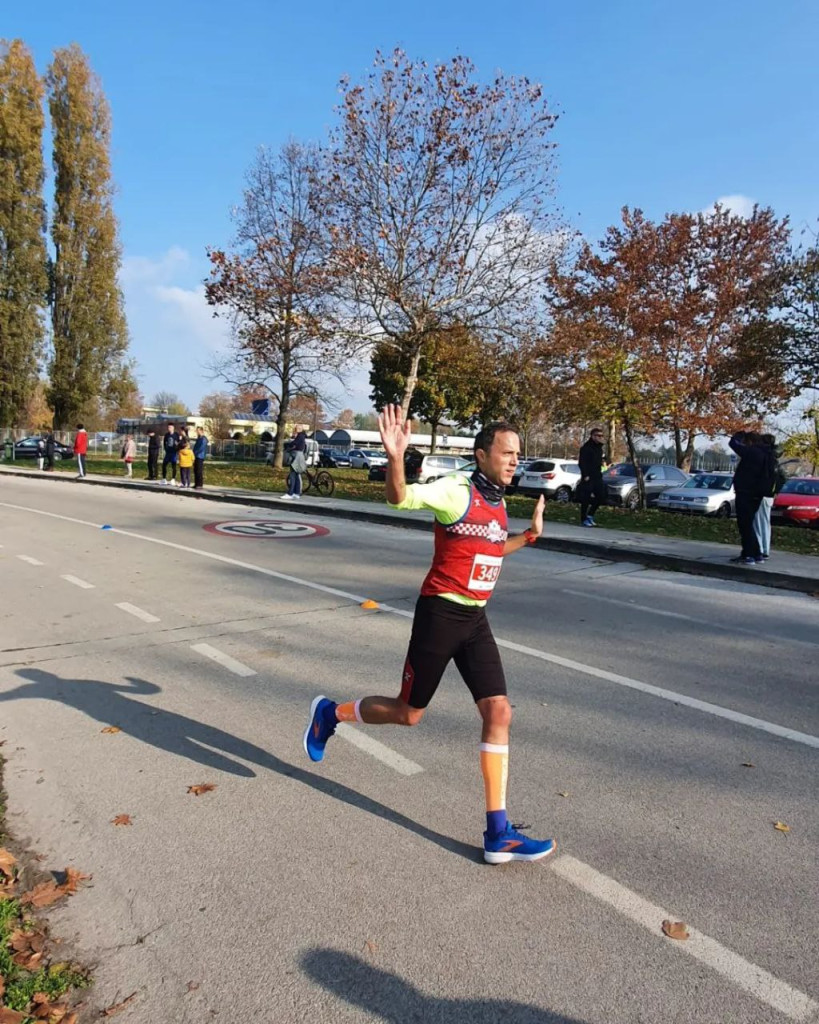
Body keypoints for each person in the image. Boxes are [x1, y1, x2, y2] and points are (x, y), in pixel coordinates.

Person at [304, 406, 556, 865]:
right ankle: (330, 714)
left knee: (499, 711)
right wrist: (395, 458)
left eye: (517, 454)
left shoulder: (498, 500)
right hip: (440, 615)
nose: (514, 460)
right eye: (506, 453)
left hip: (475, 620)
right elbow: (399, 499)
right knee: (409, 714)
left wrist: (529, 537)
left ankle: (498, 833)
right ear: (481, 455)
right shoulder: (455, 490)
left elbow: (489, 549)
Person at [728, 430, 777, 565]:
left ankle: (748, 554)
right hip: (758, 493)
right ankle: (756, 554)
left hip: (746, 492)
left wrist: (738, 435)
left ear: (750, 441)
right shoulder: (767, 453)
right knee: (749, 524)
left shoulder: (753, 452)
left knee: (745, 525)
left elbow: (733, 444)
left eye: (746, 442)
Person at [753, 434, 780, 561]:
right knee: (765, 522)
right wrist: (775, 491)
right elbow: (781, 478)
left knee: (758, 523)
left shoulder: (763, 457)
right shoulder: (774, 458)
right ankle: (765, 549)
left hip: (762, 493)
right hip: (769, 494)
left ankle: (760, 549)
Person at [578, 428, 606, 526]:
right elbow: (582, 463)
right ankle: (583, 519)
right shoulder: (586, 448)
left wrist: (603, 462)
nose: (600, 437)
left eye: (601, 436)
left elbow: (599, 460)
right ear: (593, 436)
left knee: (601, 497)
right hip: (588, 477)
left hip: (597, 476)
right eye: (598, 436)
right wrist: (585, 475)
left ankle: (590, 515)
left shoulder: (600, 448)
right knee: (586, 499)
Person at [281, 428, 308, 500]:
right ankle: (297, 493)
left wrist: (289, 445)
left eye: (295, 430)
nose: (294, 431)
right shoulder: (302, 437)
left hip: (296, 457)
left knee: (292, 475)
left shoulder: (300, 436)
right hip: (299, 457)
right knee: (296, 475)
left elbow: (294, 443)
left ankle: (290, 493)